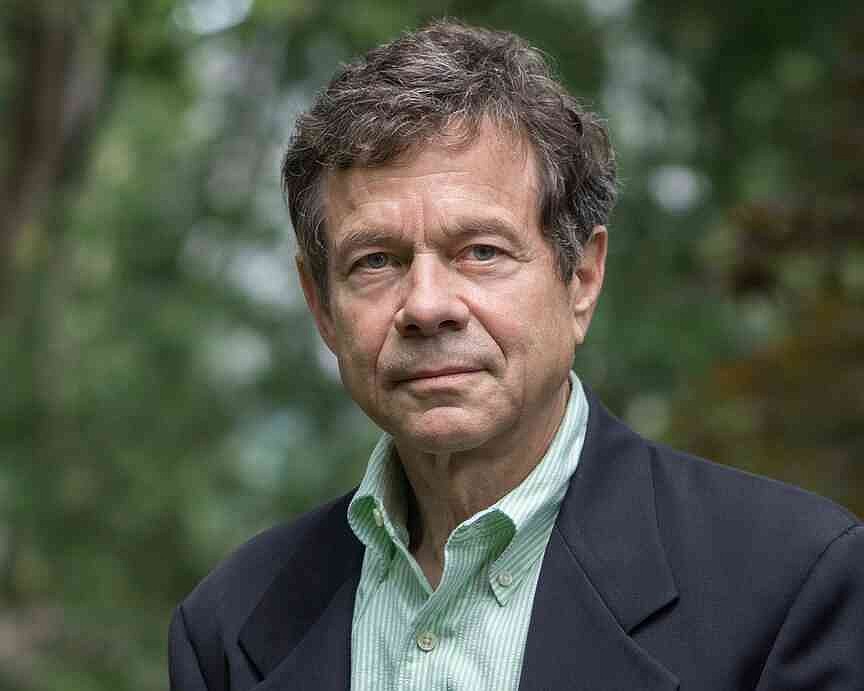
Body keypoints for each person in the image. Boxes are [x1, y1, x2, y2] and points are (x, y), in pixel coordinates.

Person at [169, 20, 863, 691]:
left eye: (481, 251)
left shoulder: (793, 587)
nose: (427, 305)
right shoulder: (229, 629)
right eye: (376, 261)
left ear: (581, 278)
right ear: (322, 306)